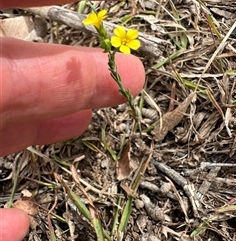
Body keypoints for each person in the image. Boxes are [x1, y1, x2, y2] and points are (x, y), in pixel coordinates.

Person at [0, 1, 144, 240]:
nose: (125, 42)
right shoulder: (113, 43)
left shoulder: (122, 42)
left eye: (125, 41)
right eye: (123, 41)